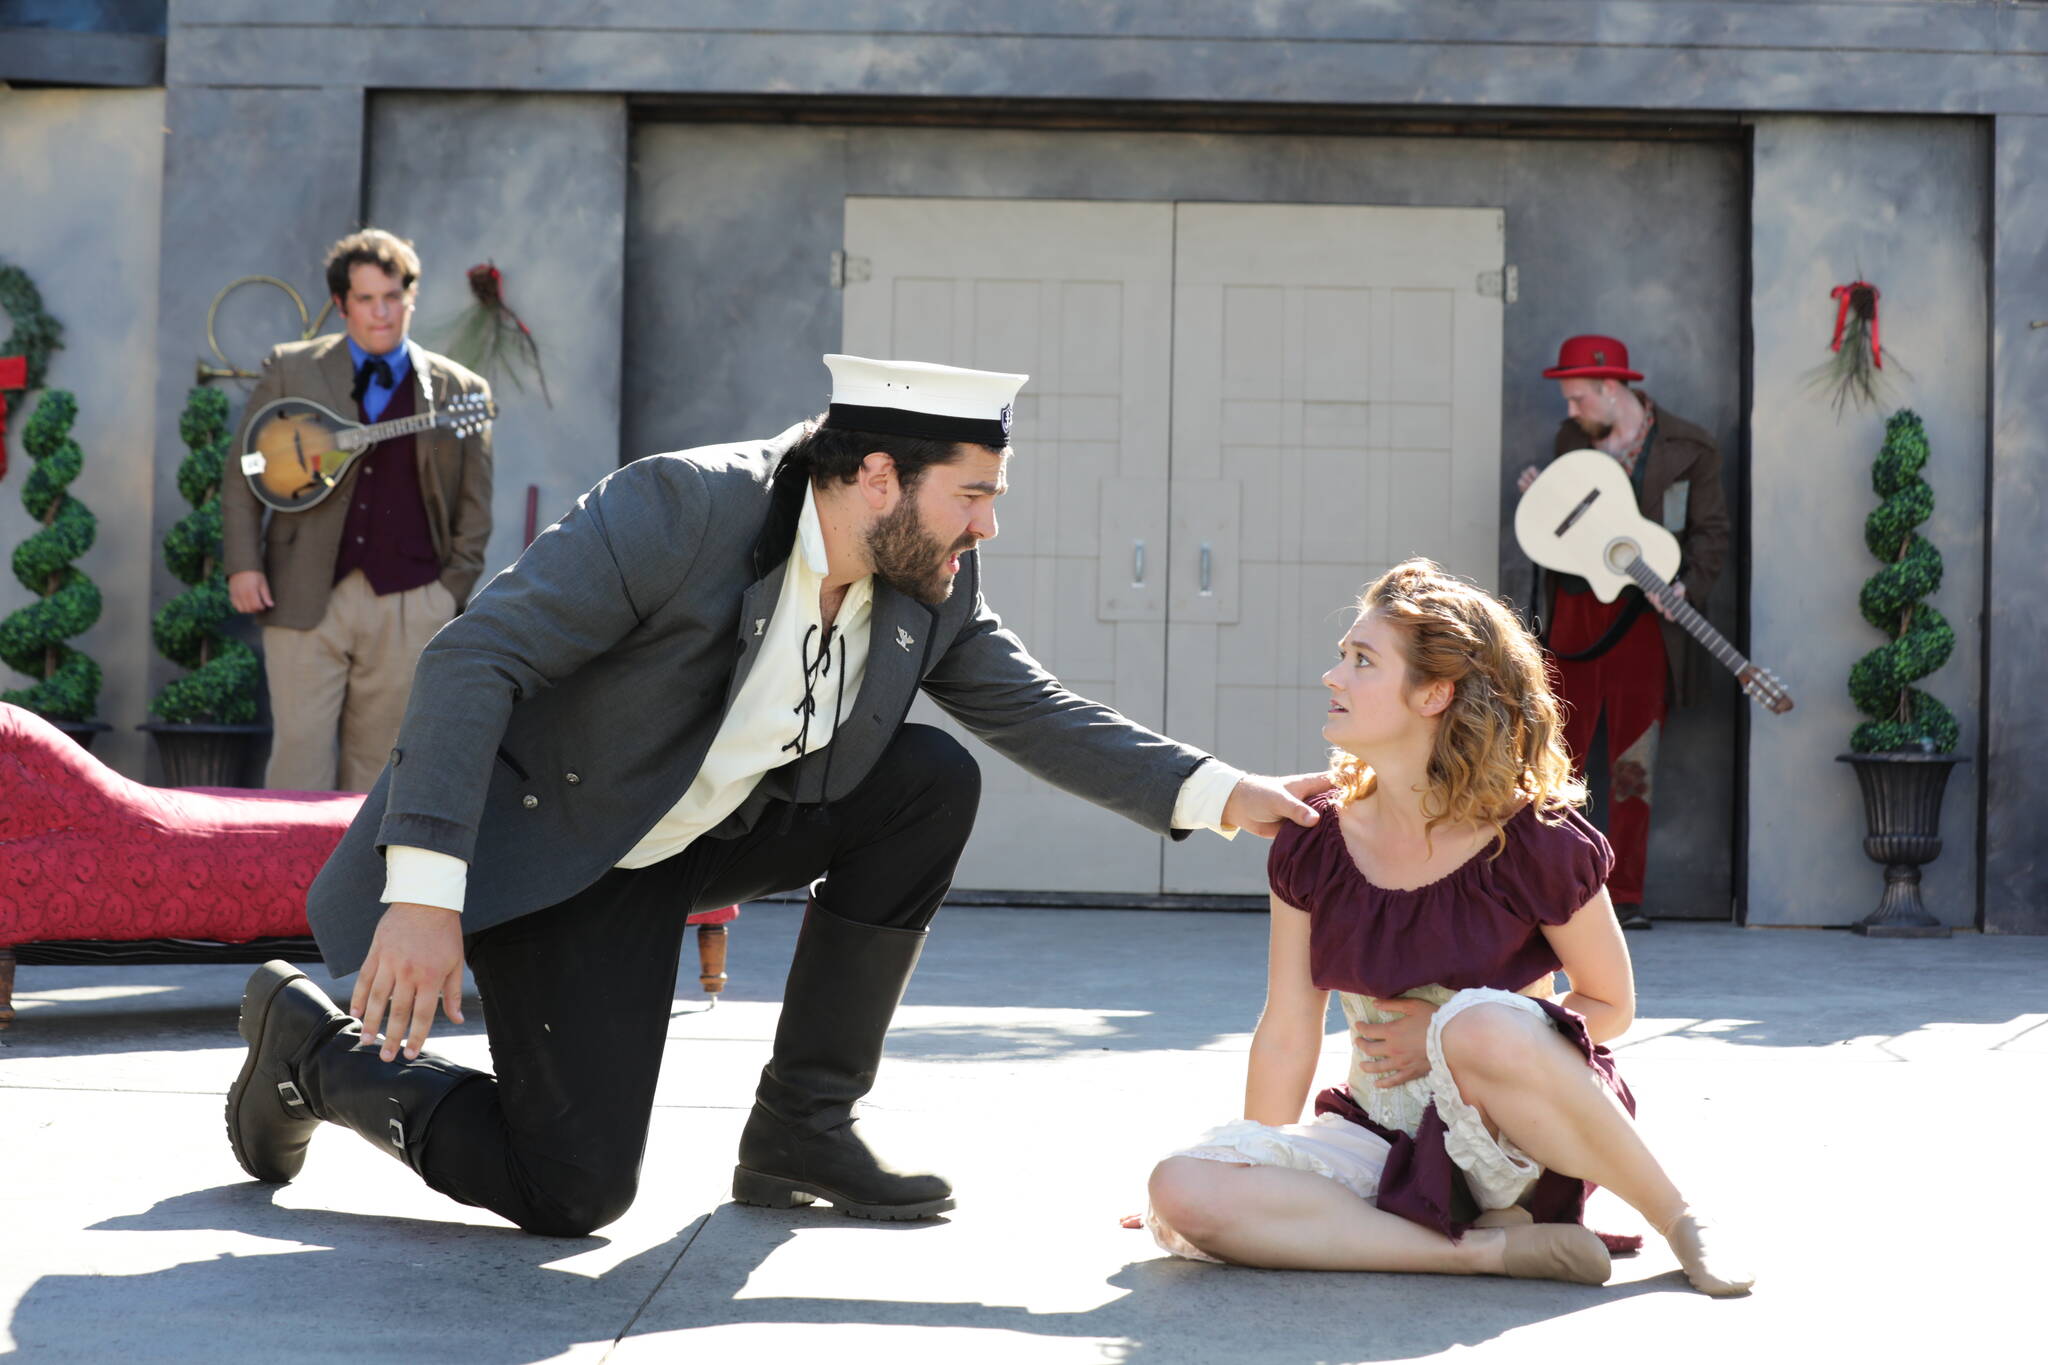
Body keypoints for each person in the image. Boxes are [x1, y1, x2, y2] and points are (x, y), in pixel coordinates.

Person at [225, 354, 1325, 1237]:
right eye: (973, 496)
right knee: (570, 1191)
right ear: (879, 476)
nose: (986, 526)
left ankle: (804, 1128)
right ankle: (314, 1055)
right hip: (567, 850)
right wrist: (426, 895)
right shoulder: (681, 508)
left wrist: (1230, 795)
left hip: (710, 827)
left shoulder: (928, 576)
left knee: (927, 781)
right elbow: (474, 660)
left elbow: (1032, 709)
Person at [1135, 559, 1753, 1295]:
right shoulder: (1311, 838)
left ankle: (1682, 1219)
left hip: (1518, 1135)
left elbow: (1610, 1005)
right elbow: (1289, 1027)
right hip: (1382, 1137)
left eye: (1363, 660)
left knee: (1476, 1024)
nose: (1333, 676)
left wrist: (1441, 1033)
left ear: (1434, 693)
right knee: (1181, 1187)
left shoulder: (1535, 837)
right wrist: (1257, 1159)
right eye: (1342, 655)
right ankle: (1487, 1251)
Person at [220, 228, 494, 792]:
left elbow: (475, 504)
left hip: (409, 599)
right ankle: (291, 858)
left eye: (393, 297)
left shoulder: (459, 388)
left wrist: (446, 594)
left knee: (383, 764)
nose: (382, 312)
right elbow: (244, 470)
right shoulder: (291, 368)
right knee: (298, 760)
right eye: (366, 299)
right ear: (342, 305)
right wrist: (243, 565)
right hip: (301, 588)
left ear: (410, 298)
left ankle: (363, 859)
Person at [1514, 335, 1729, 929]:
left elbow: (1711, 532)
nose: (1570, 410)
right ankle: (1553, 888)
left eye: (1578, 397)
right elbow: (1565, 529)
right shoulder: (1572, 440)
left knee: (1636, 759)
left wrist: (1688, 585)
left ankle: (1624, 895)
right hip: (1575, 616)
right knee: (1560, 755)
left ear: (1611, 388)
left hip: (1645, 622)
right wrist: (1541, 498)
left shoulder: (1689, 448)